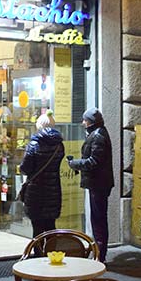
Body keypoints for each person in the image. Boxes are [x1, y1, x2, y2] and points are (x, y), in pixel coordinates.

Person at [67, 108, 114, 263]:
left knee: (98, 219)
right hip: (99, 182)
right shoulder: (98, 133)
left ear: (91, 122)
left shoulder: (98, 136)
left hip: (99, 183)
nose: (83, 123)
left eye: (85, 120)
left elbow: (93, 162)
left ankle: (100, 255)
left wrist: (75, 164)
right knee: (98, 218)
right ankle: (99, 251)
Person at [20, 111, 65, 238]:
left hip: (36, 192)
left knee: (37, 229)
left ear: (39, 126)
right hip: (53, 190)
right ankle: (51, 254)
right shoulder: (59, 145)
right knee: (51, 228)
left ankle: (39, 256)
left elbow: (25, 168)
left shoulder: (34, 145)